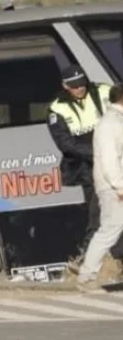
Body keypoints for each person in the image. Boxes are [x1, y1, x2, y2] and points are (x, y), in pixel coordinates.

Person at [47, 64, 123, 280]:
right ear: (65, 86)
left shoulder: (103, 91)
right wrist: (97, 153)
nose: (80, 89)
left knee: (111, 218)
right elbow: (66, 143)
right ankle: (89, 264)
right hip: (87, 165)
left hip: (114, 159)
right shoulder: (57, 108)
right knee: (98, 215)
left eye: (82, 84)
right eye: (74, 86)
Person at [78, 83, 123, 291]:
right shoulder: (108, 124)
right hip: (114, 187)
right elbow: (109, 159)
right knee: (110, 230)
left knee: (111, 229)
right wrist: (119, 186)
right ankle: (87, 276)